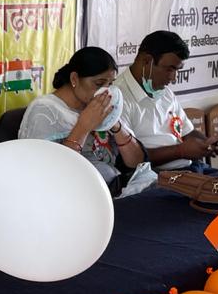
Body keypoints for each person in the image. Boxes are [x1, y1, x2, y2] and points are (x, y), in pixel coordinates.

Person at [19, 46, 147, 195]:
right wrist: (83, 126)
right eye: (99, 84)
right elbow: (48, 174)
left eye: (110, 84)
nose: (106, 91)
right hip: (77, 197)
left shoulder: (102, 107)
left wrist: (115, 124)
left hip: (114, 188)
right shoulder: (45, 110)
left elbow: (137, 162)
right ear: (74, 79)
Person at [113, 30, 218, 170]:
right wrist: (181, 151)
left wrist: (207, 143)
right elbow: (130, 159)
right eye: (170, 69)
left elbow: (187, 132)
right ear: (147, 61)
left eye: (178, 70)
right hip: (155, 177)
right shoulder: (117, 98)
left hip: (191, 168)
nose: (173, 78)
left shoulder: (164, 91)